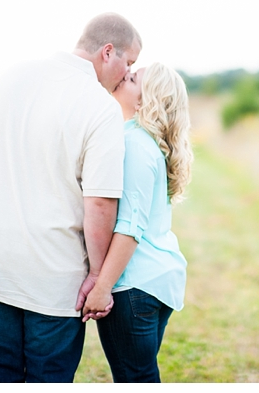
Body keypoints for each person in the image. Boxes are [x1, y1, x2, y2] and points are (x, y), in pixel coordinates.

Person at [0, 13, 142, 383]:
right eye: (128, 63)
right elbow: (100, 203)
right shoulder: (99, 107)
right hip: (53, 277)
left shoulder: (10, 76)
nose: (127, 73)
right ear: (108, 51)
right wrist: (99, 275)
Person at [78, 62, 193, 383]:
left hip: (134, 286)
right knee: (139, 377)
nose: (121, 77)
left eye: (131, 79)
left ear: (145, 101)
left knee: (136, 380)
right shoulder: (143, 142)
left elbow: (130, 228)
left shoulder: (134, 146)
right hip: (153, 282)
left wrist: (102, 288)